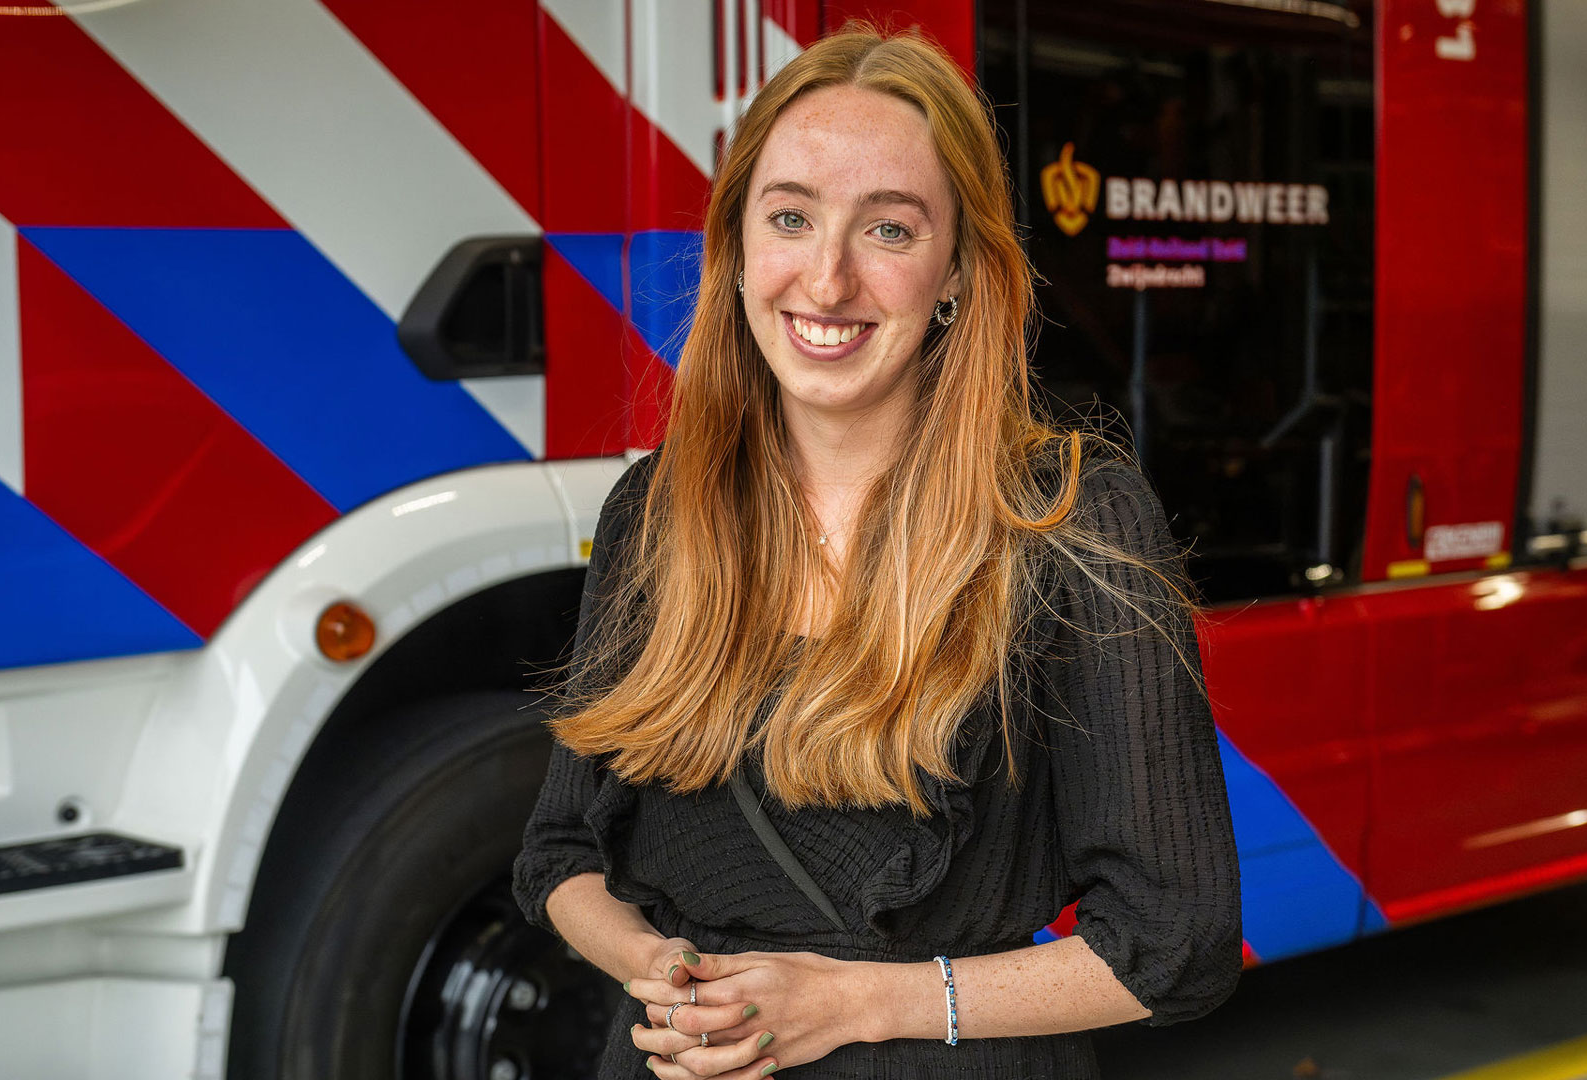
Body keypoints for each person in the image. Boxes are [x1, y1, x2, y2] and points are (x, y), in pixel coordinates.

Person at [511, 23, 1240, 1080]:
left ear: (957, 272)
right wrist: (665, 969)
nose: (827, 279)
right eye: (791, 218)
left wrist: (858, 1003)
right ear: (737, 249)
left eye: (889, 230)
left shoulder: (1073, 525)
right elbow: (561, 854)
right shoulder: (656, 512)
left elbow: (1176, 943)